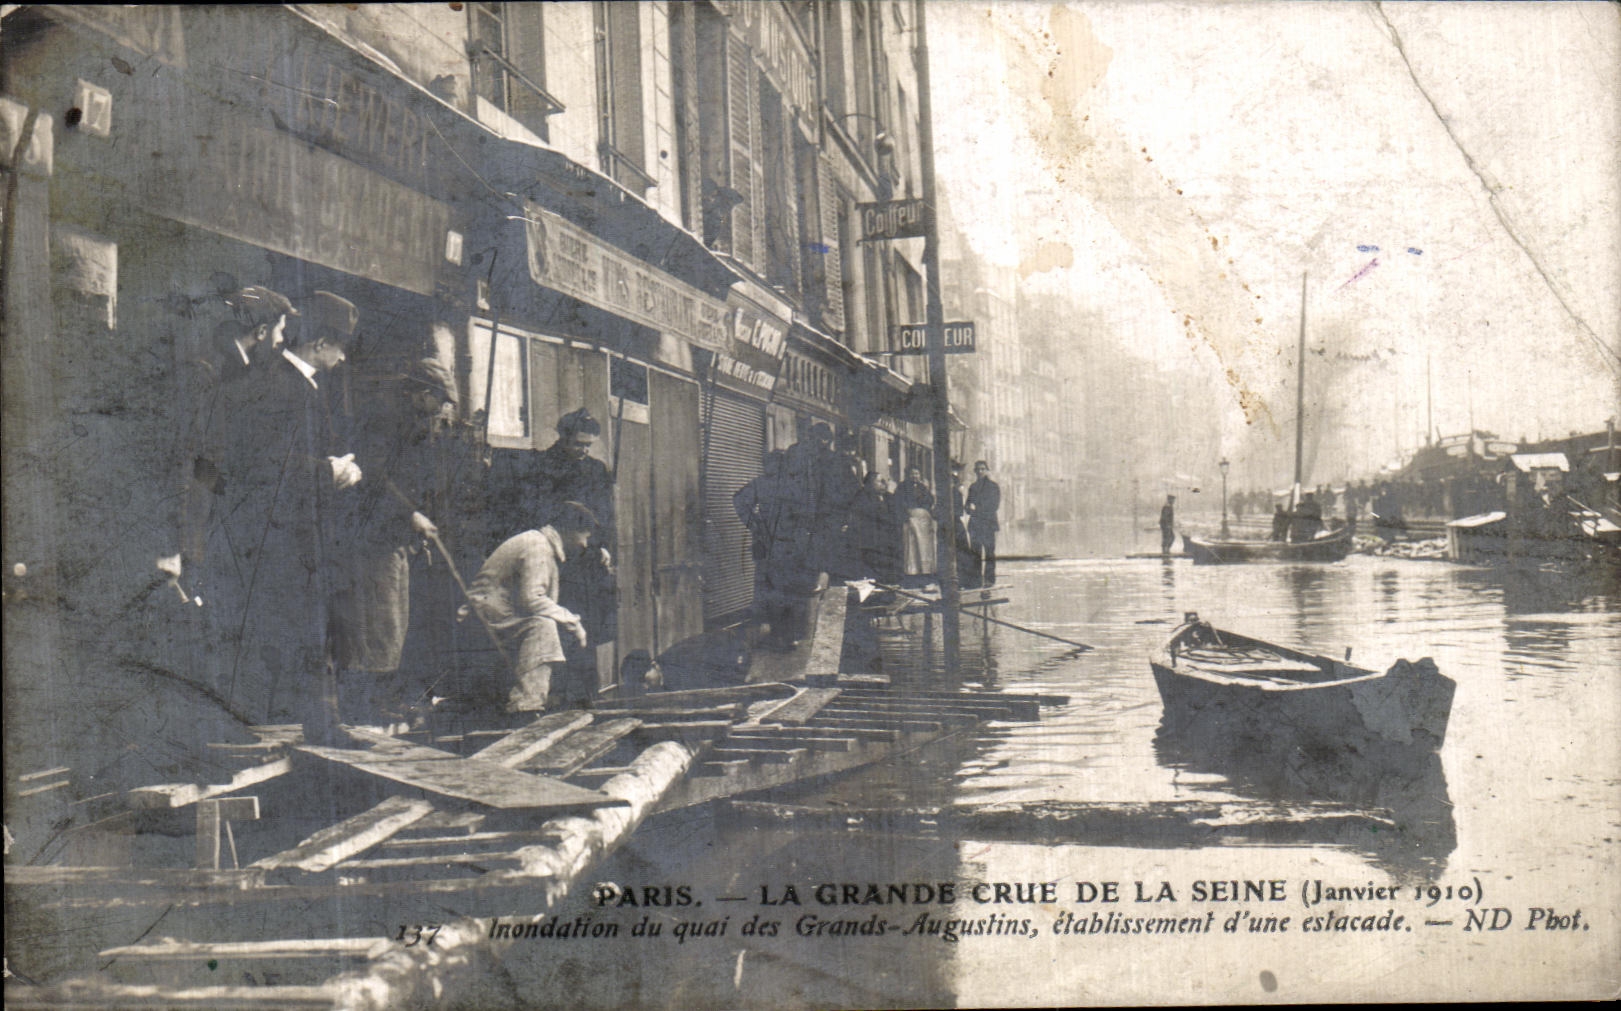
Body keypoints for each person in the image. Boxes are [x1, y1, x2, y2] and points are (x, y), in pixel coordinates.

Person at [191, 290, 363, 731]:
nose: (343, 359)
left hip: (288, 535)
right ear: (321, 343)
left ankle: (310, 724)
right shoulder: (281, 386)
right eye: (341, 347)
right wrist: (331, 472)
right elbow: (264, 466)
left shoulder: (292, 383)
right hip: (279, 537)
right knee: (291, 631)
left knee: (294, 631)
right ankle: (311, 727)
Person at [327, 357, 455, 724]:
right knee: (376, 621)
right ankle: (365, 705)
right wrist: (409, 515)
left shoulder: (411, 424)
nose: (443, 409)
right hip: (369, 539)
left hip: (391, 538)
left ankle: (382, 698)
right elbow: (373, 480)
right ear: (423, 394)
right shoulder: (383, 422)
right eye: (441, 399)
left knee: (393, 620)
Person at [464, 502, 596, 713]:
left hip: (498, 614)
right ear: (570, 530)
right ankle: (526, 705)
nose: (585, 544)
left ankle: (558, 697)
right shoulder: (538, 546)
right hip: (484, 617)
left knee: (555, 624)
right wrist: (573, 622)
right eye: (585, 536)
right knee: (544, 626)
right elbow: (532, 599)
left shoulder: (540, 543)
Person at [896, 466, 937, 585]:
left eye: (917, 473)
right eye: (912, 474)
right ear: (908, 475)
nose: (915, 476)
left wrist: (925, 508)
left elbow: (929, 500)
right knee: (912, 546)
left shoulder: (923, 487)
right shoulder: (902, 487)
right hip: (911, 520)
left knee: (924, 547)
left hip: (923, 520)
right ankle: (912, 572)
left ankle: (925, 571)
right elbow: (899, 502)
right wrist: (907, 512)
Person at [965, 460, 1002, 587]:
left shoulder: (993, 487)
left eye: (982, 469)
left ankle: (989, 579)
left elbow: (994, 505)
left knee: (989, 552)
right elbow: (967, 504)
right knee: (975, 552)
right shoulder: (973, 487)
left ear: (987, 470)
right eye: (978, 469)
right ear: (975, 471)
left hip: (988, 524)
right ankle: (976, 579)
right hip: (975, 524)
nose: (980, 472)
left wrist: (977, 509)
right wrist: (968, 508)